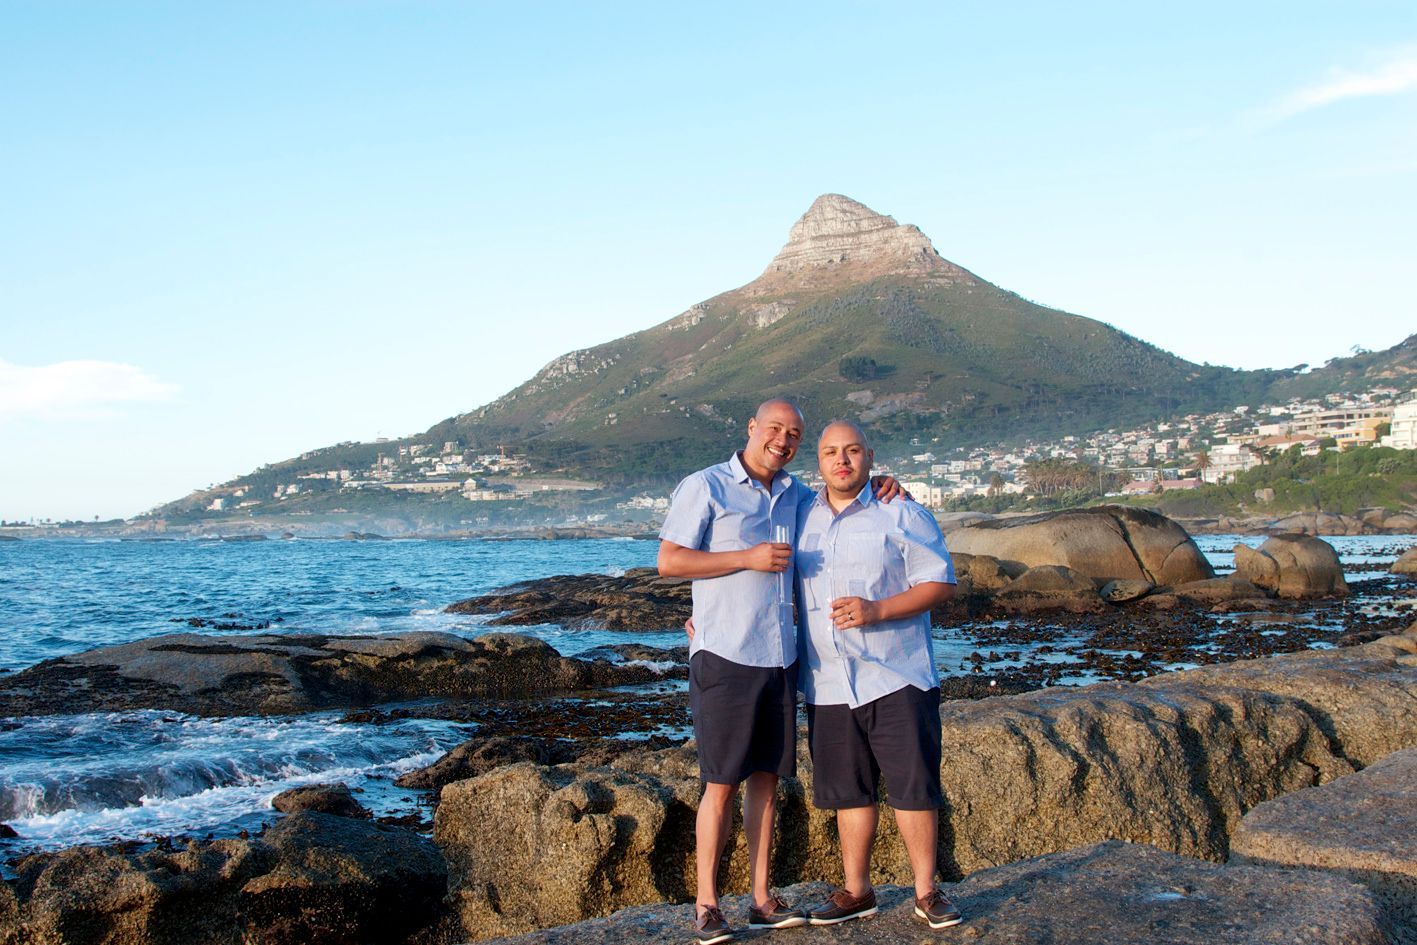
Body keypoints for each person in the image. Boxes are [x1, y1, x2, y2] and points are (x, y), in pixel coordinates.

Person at [658, 399, 904, 945]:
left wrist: (885, 483)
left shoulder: (797, 495)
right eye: (775, 429)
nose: (783, 440)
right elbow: (670, 561)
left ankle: (761, 899)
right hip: (724, 653)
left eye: (793, 434)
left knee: (767, 781)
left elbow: (846, 494)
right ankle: (706, 906)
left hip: (781, 657)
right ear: (752, 428)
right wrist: (745, 557)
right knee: (719, 783)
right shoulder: (706, 485)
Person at [795, 420, 963, 930]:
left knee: (914, 788)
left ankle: (927, 892)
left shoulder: (902, 511)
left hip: (896, 675)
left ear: (869, 456)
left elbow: (940, 584)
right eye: (830, 452)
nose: (841, 460)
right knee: (849, 791)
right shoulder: (799, 515)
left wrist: (876, 611)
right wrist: (703, 615)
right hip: (826, 681)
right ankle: (856, 890)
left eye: (851, 451)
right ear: (818, 461)